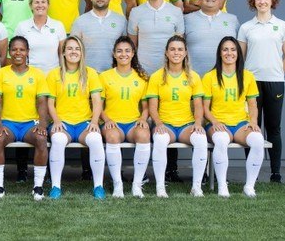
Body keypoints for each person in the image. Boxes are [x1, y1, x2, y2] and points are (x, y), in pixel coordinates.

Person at [237, 0, 285, 183]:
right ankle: (252, 173)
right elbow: (240, 59)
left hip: (275, 83)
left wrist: (276, 73)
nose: (262, 1)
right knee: (251, 127)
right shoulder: (246, 27)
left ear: (272, 1)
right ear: (253, 2)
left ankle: (275, 172)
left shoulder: (283, 26)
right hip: (251, 85)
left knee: (273, 127)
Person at [203, 37, 265, 197]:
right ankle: (222, 186)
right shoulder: (209, 77)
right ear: (219, 53)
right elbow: (204, 108)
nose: (229, 53)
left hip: (240, 124)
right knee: (222, 140)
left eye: (232, 49)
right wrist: (214, 122)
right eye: (225, 49)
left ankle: (249, 186)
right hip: (217, 123)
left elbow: (252, 104)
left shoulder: (247, 76)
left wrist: (253, 121)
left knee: (258, 140)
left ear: (238, 53)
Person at [46, 36, 106, 199]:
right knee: (57, 140)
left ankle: (98, 186)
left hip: (83, 123)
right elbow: (50, 103)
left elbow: (97, 101)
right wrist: (56, 121)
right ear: (63, 52)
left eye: (77, 48)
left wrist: (94, 122)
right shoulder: (54, 74)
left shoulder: (90, 73)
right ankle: (56, 187)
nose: (73, 52)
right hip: (63, 123)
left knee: (95, 139)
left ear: (82, 53)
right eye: (70, 48)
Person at [0, 36, 50, 200]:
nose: (18, 52)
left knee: (41, 138)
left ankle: (38, 187)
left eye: (22, 49)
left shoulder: (37, 75)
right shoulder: (1, 74)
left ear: (28, 52)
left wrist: (43, 125)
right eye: (14, 49)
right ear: (9, 52)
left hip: (30, 123)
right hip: (8, 123)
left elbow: (42, 102)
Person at [147, 36, 207, 198]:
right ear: (166, 53)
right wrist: (158, 123)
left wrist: (198, 123)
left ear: (185, 53)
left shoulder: (193, 76)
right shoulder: (157, 76)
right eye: (172, 49)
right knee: (159, 139)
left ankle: (196, 187)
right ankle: (160, 187)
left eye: (180, 49)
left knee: (201, 139)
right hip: (166, 124)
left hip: (186, 125)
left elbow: (198, 105)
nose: (176, 52)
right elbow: (152, 106)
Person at [99, 37, 151, 198]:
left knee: (144, 135)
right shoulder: (105, 76)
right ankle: (118, 185)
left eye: (127, 51)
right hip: (112, 122)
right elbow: (98, 105)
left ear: (133, 53)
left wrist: (143, 119)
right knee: (113, 137)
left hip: (133, 123)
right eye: (119, 51)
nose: (123, 54)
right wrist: (107, 120)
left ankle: (137, 185)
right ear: (114, 54)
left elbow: (146, 106)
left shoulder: (141, 77)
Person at [128, 0, 185, 75]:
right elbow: (133, 46)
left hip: (169, 73)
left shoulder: (176, 12)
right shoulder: (135, 12)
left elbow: (179, 46)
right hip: (143, 73)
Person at [70, 0, 127, 73]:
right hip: (87, 74)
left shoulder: (121, 20)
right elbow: (73, 50)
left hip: (113, 74)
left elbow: (126, 49)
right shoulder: (80, 21)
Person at [184, 0, 240, 75]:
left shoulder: (232, 20)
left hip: (225, 80)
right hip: (194, 79)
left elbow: (240, 50)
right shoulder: (187, 19)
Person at [14, 0, 65, 74]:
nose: (40, 5)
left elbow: (62, 54)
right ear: (31, 5)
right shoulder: (22, 26)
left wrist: (62, 74)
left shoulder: (58, 26)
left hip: (53, 76)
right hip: (30, 76)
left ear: (48, 5)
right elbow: (17, 54)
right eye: (36, 2)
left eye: (43, 2)